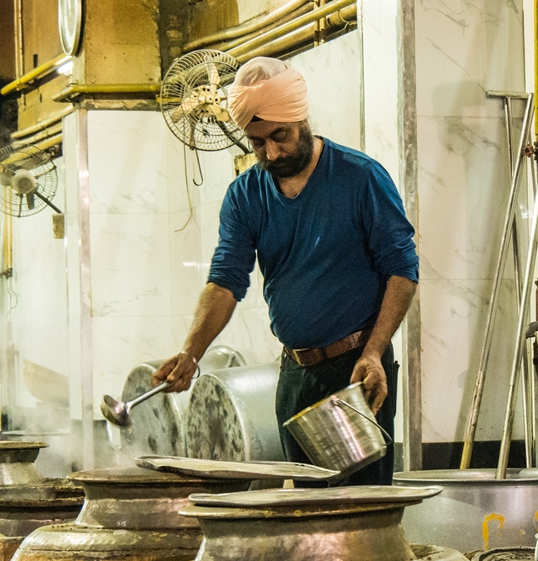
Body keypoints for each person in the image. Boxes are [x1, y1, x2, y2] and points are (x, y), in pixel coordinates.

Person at [152, 57, 419, 485]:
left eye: (280, 136)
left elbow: (403, 270)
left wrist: (374, 351)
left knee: (361, 510)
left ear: (301, 119)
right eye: (257, 143)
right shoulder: (245, 195)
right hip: (295, 375)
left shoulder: (360, 177)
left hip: (355, 369)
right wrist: (191, 352)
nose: (271, 152)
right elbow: (225, 280)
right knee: (305, 512)